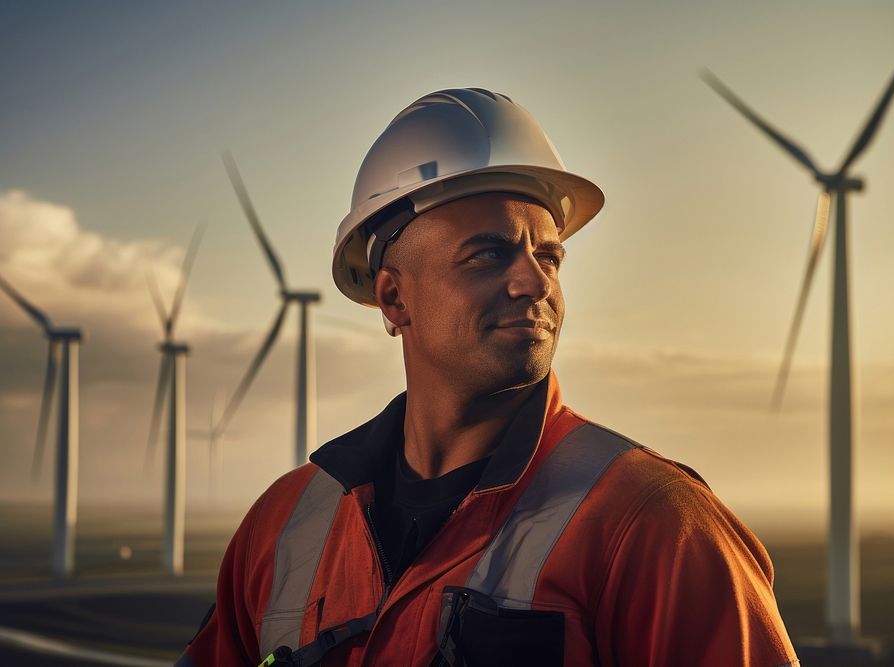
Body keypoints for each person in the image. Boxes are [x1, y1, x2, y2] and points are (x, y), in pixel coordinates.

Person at [176, 87, 799, 667]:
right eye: (489, 254)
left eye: (549, 256)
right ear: (394, 300)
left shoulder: (653, 525)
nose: (535, 283)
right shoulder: (281, 530)